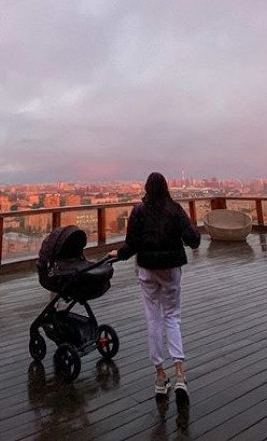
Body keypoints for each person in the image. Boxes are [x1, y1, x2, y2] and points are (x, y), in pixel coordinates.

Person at [109, 172, 201, 402]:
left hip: (147, 269)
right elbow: (193, 239)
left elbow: (132, 244)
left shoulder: (139, 211)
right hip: (171, 269)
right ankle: (180, 373)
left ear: (147, 189)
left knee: (153, 318)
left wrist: (119, 254)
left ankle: (160, 376)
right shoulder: (175, 209)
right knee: (172, 317)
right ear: (166, 188)